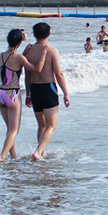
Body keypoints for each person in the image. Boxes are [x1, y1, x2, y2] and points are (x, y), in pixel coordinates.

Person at [0, 29, 49, 163]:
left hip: (1, 93)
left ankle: (13, 157)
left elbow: (14, 60)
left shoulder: (1, 55)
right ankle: (2, 157)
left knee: (9, 130)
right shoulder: (19, 58)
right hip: (12, 94)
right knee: (14, 130)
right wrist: (43, 53)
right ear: (19, 43)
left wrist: (24, 52)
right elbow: (37, 69)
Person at [24, 22, 70, 161]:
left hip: (34, 87)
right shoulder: (51, 50)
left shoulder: (28, 50)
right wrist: (66, 93)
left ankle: (42, 153)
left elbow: (27, 75)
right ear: (49, 34)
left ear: (34, 34)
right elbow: (58, 73)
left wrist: (28, 94)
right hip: (48, 88)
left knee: (42, 125)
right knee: (51, 125)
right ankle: (38, 151)